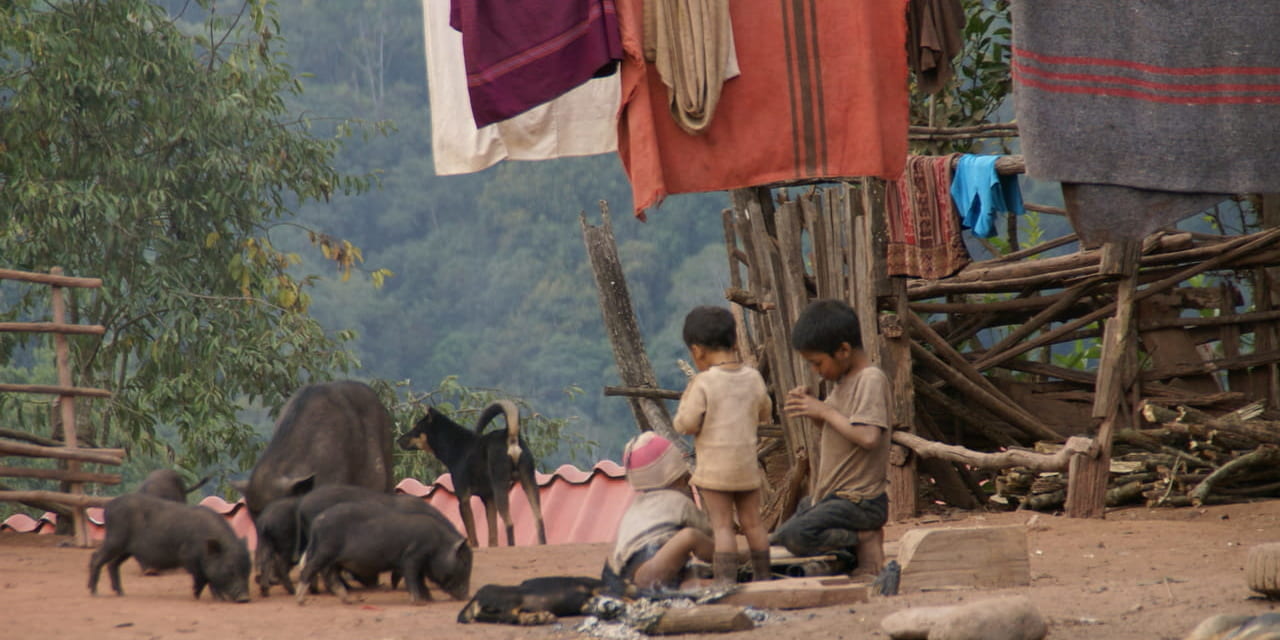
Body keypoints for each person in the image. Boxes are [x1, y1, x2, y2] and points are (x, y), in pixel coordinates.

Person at [773, 299, 892, 575]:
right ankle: (845, 554)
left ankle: (862, 538)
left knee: (797, 535)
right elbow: (841, 434)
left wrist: (824, 410)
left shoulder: (870, 379)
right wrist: (813, 411)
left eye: (817, 363)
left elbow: (868, 437)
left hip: (860, 501)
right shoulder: (841, 383)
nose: (816, 371)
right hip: (833, 497)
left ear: (843, 350)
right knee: (781, 533)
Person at [673, 306, 772, 584]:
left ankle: (726, 580)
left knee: (723, 526)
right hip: (747, 468)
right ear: (735, 341)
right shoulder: (753, 377)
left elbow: (687, 424)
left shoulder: (703, 383)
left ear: (697, 351)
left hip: (715, 472)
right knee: (753, 522)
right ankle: (763, 576)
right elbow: (765, 412)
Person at [603, 432, 714, 593]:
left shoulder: (634, 507)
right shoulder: (679, 501)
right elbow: (708, 536)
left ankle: (687, 585)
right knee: (691, 536)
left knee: (688, 568)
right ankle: (731, 567)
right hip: (651, 571)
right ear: (677, 476)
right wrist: (726, 552)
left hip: (628, 579)